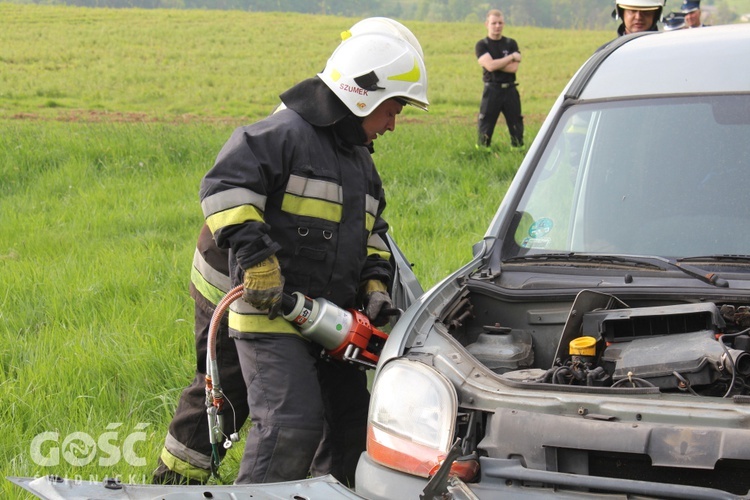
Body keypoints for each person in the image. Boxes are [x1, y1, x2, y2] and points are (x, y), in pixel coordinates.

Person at [152, 18, 427, 486]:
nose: (393, 125)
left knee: (349, 423)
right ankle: (172, 487)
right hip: (248, 296)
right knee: (267, 411)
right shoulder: (284, 136)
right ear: (364, 94)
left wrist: (375, 283)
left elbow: (372, 231)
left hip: (315, 306)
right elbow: (224, 186)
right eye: (393, 109)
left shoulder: (359, 161)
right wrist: (258, 263)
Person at [475, 9, 524, 151]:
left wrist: (495, 63)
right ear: (487, 24)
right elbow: (490, 66)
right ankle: (482, 152)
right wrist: (511, 57)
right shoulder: (482, 45)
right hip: (492, 90)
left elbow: (513, 69)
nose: (497, 26)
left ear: (504, 24)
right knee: (486, 124)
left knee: (516, 124)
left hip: (510, 90)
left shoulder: (511, 43)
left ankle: (518, 152)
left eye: (500, 23)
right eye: (494, 23)